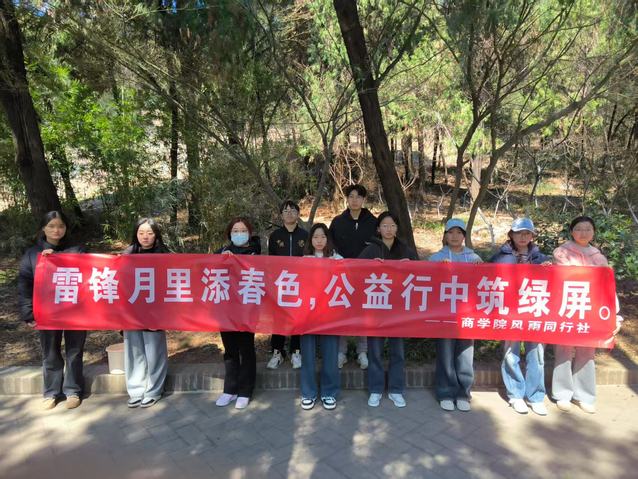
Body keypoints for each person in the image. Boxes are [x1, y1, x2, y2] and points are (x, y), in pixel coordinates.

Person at [551, 216, 623, 414]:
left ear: (594, 232)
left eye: (588, 229)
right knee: (563, 351)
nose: (583, 233)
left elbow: (607, 288)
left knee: (587, 352)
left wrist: (615, 316)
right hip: (566, 308)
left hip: (590, 311)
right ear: (571, 231)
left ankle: (584, 395)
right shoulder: (562, 252)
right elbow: (565, 277)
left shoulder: (599, 257)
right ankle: (562, 393)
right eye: (579, 229)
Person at [18, 210, 87, 410]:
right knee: (50, 352)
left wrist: (59, 258)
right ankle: (51, 392)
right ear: (43, 228)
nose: (56, 230)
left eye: (61, 226)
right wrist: (28, 313)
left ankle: (73, 390)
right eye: (51, 226)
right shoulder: (32, 254)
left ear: (66, 228)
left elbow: (89, 273)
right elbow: (25, 285)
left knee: (74, 350)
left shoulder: (77, 250)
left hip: (75, 310)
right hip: (47, 312)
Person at [490, 218, 551, 416]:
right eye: (519, 233)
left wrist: (550, 269)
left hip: (535, 312)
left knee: (537, 354)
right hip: (510, 313)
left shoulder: (541, 259)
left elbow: (554, 284)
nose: (523, 237)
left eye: (527, 233)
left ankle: (535, 397)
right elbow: (485, 279)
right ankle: (515, 395)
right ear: (511, 234)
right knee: (511, 353)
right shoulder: (500, 257)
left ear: (532, 236)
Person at [359, 211, 418, 408]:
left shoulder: (405, 250)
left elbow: (421, 274)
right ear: (378, 229)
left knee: (397, 352)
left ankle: (396, 389)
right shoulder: (370, 250)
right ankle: (375, 389)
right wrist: (369, 266)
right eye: (384, 225)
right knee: (374, 351)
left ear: (397, 228)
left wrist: (411, 266)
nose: (388, 229)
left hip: (398, 311)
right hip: (376, 309)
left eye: (392, 225)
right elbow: (355, 271)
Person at [429, 218, 482, 412]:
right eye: (450, 232)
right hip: (444, 314)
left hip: (468, 314)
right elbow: (427, 283)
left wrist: (481, 269)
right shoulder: (435, 258)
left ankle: (463, 393)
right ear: (444, 235)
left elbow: (483, 284)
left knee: (465, 354)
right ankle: (445, 392)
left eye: (459, 233)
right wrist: (438, 270)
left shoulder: (474, 258)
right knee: (445, 353)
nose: (454, 236)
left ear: (464, 236)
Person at [122, 218, 169, 409]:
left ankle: (154, 390)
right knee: (134, 351)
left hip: (155, 311)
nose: (145, 237)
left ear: (156, 235)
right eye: (141, 233)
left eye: (150, 233)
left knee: (154, 351)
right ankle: (136, 390)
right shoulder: (126, 255)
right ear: (136, 234)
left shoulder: (165, 255)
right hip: (131, 311)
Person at [215, 217, 260, 410]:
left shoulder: (255, 252)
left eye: (243, 230)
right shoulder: (222, 252)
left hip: (247, 310)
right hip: (226, 310)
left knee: (246, 349)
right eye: (235, 230)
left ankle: (245, 391)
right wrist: (220, 259)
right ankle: (230, 389)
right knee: (230, 350)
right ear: (229, 233)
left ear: (249, 233)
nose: (239, 234)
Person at [329, 184, 377, 370]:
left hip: (366, 276)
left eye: (358, 196)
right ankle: (341, 352)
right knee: (342, 310)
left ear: (364, 199)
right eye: (351, 196)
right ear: (347, 199)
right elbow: (330, 244)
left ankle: (362, 351)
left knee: (363, 312)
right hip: (343, 275)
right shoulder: (338, 222)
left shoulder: (373, 222)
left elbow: (378, 245)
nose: (354, 200)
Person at [299, 223, 342, 410]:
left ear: (328, 239)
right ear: (310, 240)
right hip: (308, 315)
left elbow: (352, 274)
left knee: (330, 355)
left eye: (323, 237)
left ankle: (329, 393)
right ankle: (308, 393)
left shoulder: (337, 259)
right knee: (307, 355)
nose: (319, 240)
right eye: (315, 237)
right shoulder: (303, 261)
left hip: (330, 315)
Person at [266, 200, 308, 370]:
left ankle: (296, 351)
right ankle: (277, 352)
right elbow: (270, 261)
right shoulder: (275, 236)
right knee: (279, 318)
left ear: (298, 214)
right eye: (285, 210)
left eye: (292, 210)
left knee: (298, 317)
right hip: (281, 283)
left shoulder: (305, 236)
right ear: (281, 215)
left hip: (300, 284)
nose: (289, 213)